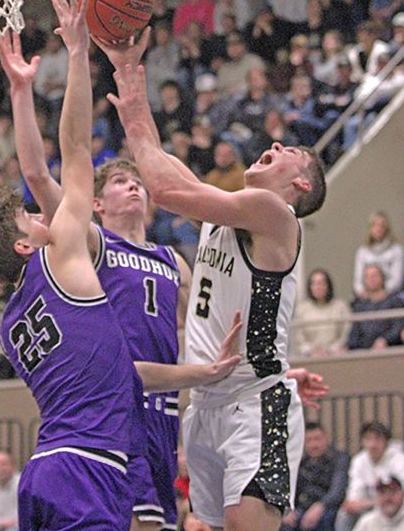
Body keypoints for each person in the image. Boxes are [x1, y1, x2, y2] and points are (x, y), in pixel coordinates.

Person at [0, 0, 239, 531]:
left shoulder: (173, 259)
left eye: (134, 180)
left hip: (156, 405)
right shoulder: (87, 245)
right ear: (96, 204)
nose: (133, 186)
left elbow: (195, 329)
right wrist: (65, 65)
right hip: (116, 413)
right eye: (119, 181)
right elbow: (44, 170)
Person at [98, 37, 328, 531]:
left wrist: (134, 111)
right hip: (205, 403)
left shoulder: (274, 212)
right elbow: (161, 164)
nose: (274, 146)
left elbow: (164, 188)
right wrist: (130, 88)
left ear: (301, 184)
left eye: (288, 152)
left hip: (253, 402)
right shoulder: (225, 213)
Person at [335, 421, 404, 531]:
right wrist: (372, 502)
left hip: (397, 508)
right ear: (362, 442)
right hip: (369, 507)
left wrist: (378, 501)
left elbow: (402, 492)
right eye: (368, 439)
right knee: (344, 515)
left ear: (386, 441)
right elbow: (353, 499)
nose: (372, 444)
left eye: (377, 439)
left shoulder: (400, 459)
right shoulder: (358, 461)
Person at [282, 422, 349, 530]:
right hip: (302, 507)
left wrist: (320, 506)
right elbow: (289, 489)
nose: (314, 445)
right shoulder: (300, 462)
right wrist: (287, 510)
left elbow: (337, 491)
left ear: (326, 438)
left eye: (317, 439)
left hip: (329, 507)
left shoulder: (339, 459)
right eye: (309, 440)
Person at [293, 269, 350, 357]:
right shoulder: (302, 309)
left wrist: (330, 351)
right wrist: (311, 351)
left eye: (321, 283)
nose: (318, 287)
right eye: (314, 284)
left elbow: (346, 334)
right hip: (309, 357)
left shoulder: (340, 307)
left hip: (336, 356)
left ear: (328, 286)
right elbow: (298, 339)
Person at [347, 264, 404, 351]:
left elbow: (398, 327)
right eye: (368, 277)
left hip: (390, 350)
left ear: (382, 277)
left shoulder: (394, 301)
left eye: (374, 275)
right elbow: (354, 335)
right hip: (364, 352)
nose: (371, 279)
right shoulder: (359, 306)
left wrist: (385, 340)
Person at [353, 211, 404, 300]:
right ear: (370, 228)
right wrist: (364, 293)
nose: (378, 228)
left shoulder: (396, 250)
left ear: (387, 228)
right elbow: (358, 280)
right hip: (366, 297)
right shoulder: (362, 252)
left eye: (382, 225)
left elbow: (397, 280)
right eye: (375, 225)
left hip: (390, 295)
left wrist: (384, 292)